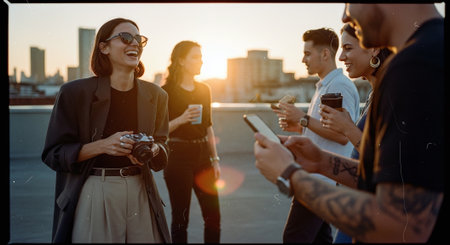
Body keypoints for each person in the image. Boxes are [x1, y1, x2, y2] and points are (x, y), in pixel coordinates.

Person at [253, 3, 444, 243]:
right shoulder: (427, 55)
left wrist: (290, 176)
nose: (345, 14)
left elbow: (400, 224)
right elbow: (402, 182)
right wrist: (321, 161)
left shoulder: (416, 66)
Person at [41, 18, 171, 243]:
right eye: (126, 37)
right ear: (104, 47)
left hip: (142, 190)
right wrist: (103, 145)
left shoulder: (157, 95)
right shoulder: (74, 93)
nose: (135, 44)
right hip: (95, 192)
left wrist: (154, 149)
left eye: (139, 39)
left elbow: (163, 147)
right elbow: (53, 154)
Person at [273, 27, 360, 243]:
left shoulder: (338, 86)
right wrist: (299, 126)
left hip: (322, 181)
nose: (303, 59)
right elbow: (326, 129)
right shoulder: (325, 86)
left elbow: (342, 134)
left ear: (325, 54)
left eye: (307, 53)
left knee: (294, 237)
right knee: (320, 239)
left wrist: (303, 118)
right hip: (321, 177)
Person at [319, 23, 392, 243]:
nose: (341, 57)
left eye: (348, 48)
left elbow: (387, 163)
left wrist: (348, 129)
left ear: (374, 49)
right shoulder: (374, 94)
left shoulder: (391, 96)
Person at [161, 40, 221, 243]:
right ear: (181, 60)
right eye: (196, 57)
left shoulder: (204, 89)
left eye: (202, 57)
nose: (201, 61)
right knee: (181, 220)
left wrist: (215, 160)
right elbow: (158, 131)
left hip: (203, 156)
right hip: (177, 158)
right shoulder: (165, 91)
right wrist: (183, 118)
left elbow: (208, 127)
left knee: (213, 218)